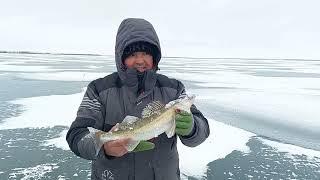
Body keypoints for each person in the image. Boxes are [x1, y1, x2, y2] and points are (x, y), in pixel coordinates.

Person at [66, 18, 210, 180]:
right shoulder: (99, 89)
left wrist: (192, 128)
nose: (140, 60)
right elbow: (77, 136)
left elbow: (202, 131)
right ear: (121, 57)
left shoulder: (174, 89)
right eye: (133, 54)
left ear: (155, 56)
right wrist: (105, 148)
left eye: (146, 53)